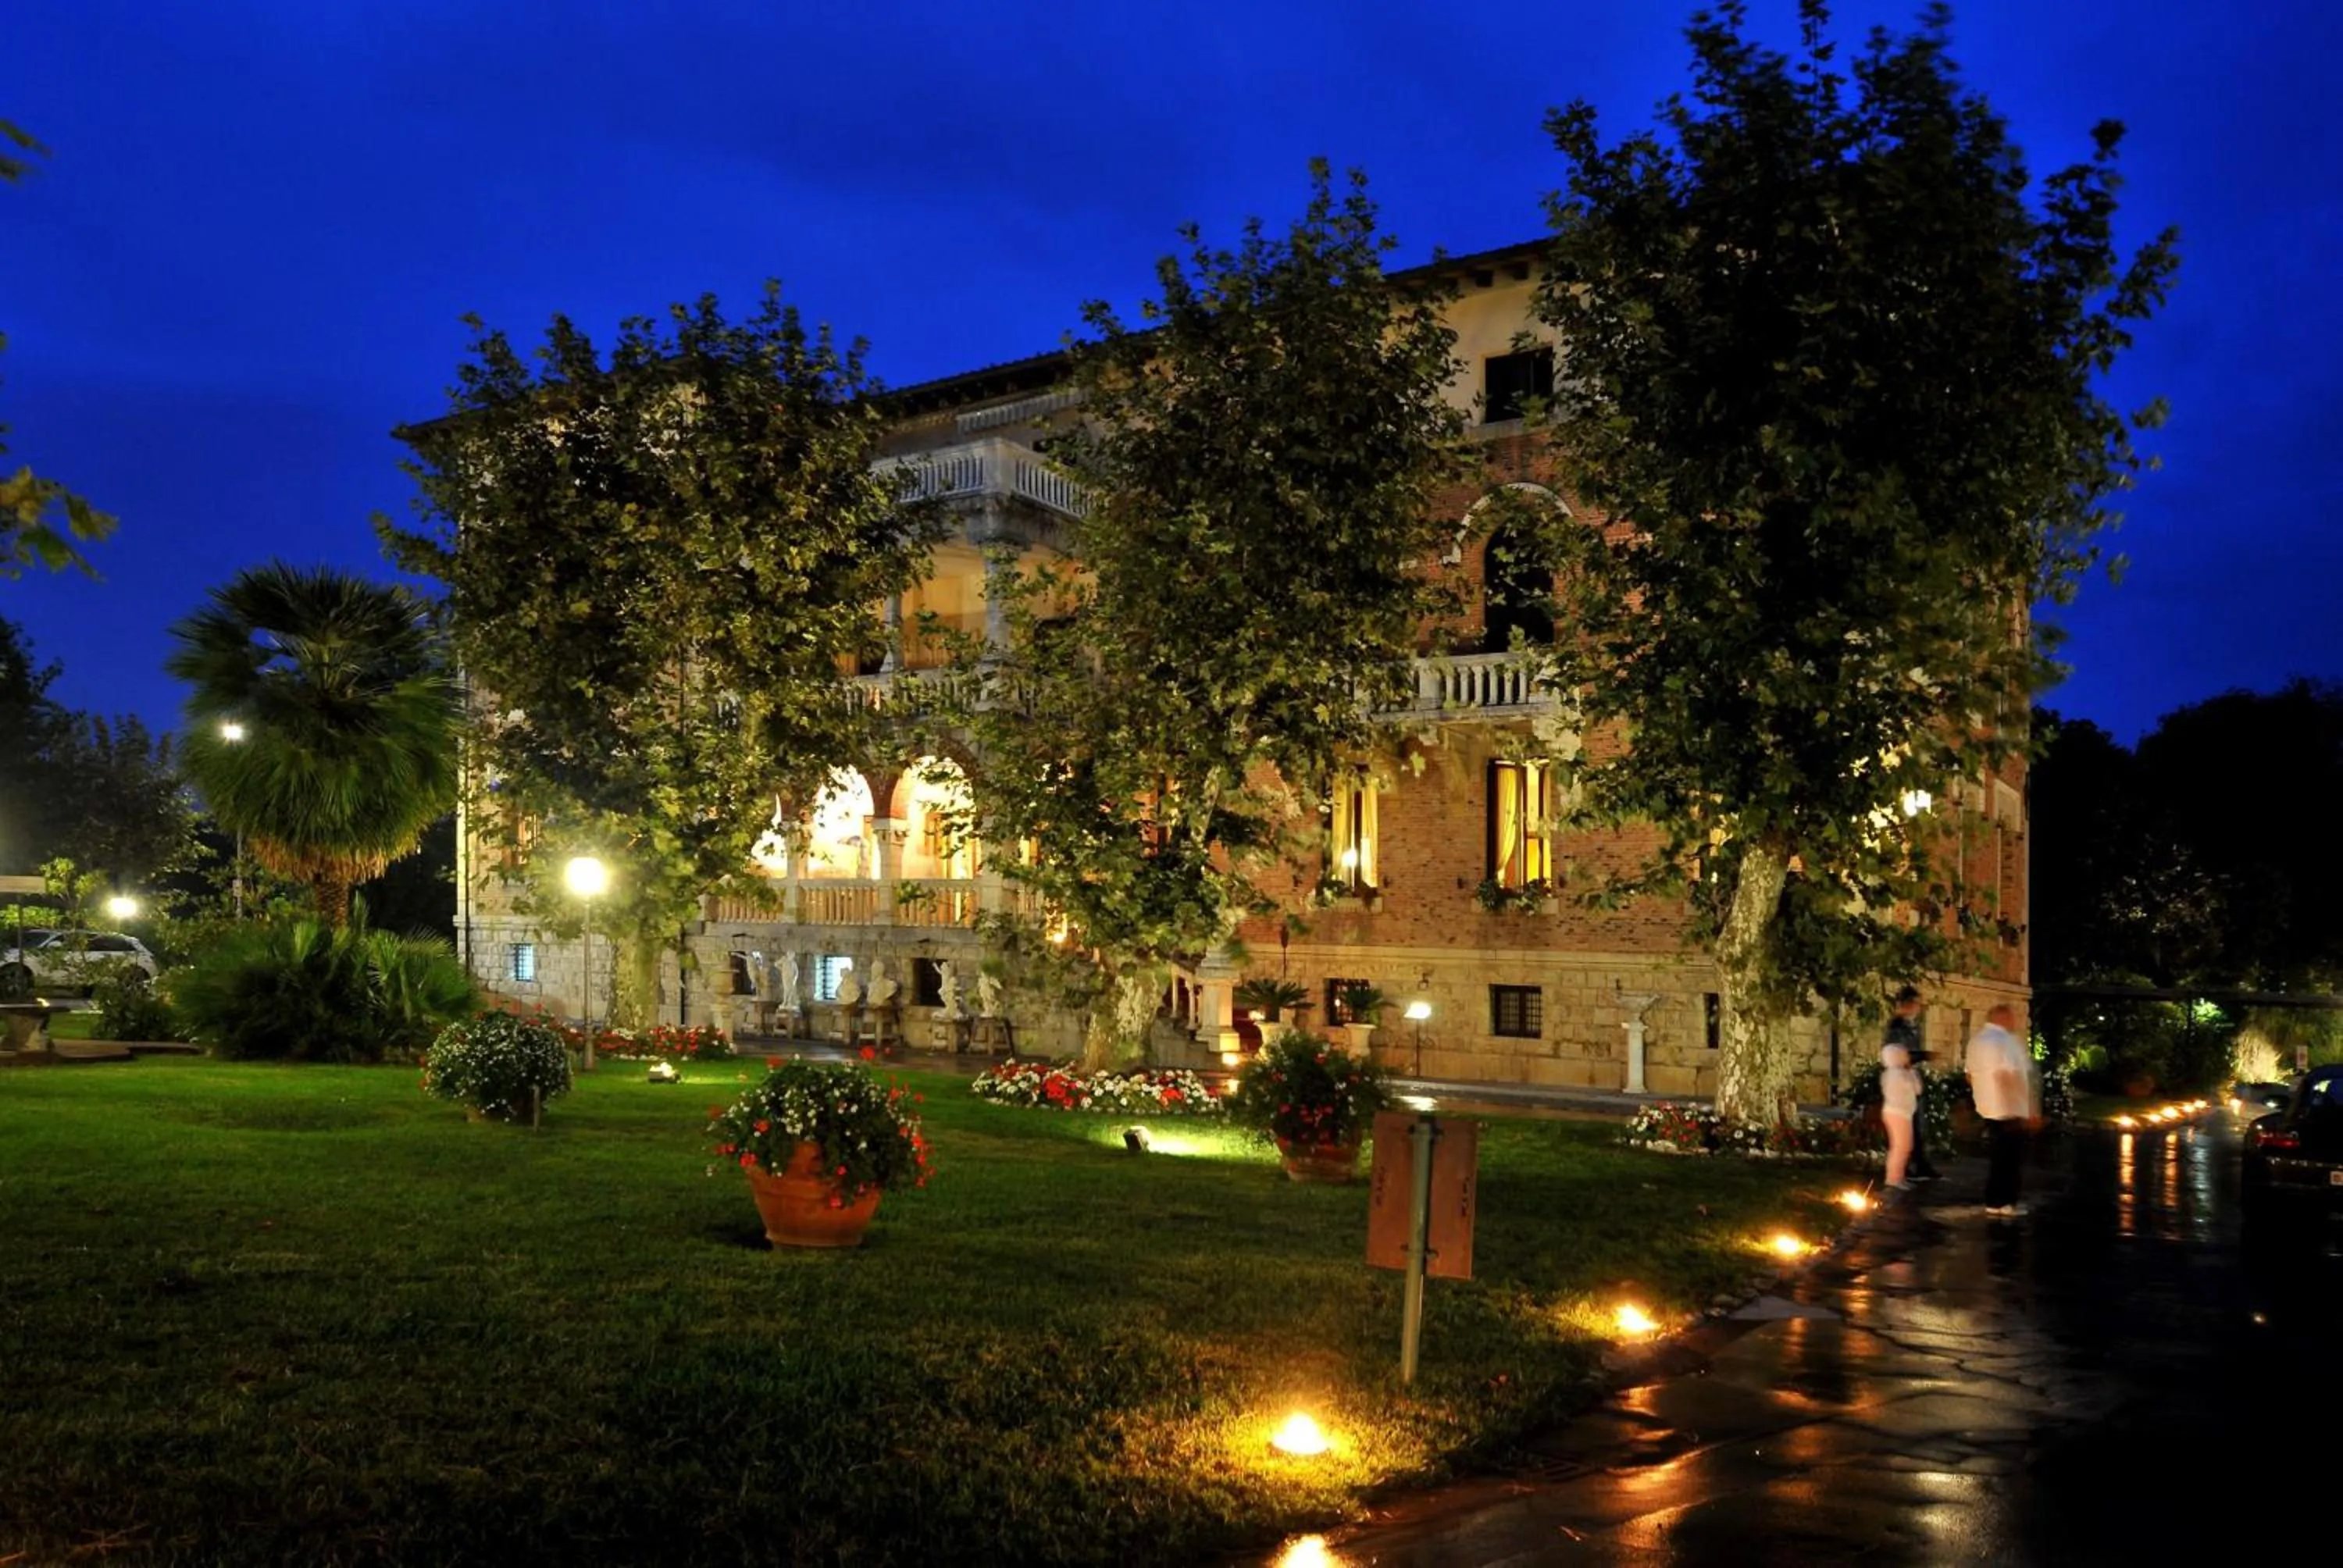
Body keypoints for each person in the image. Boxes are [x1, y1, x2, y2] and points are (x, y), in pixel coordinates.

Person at [1967, 1003, 2039, 1217]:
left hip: (1987, 1108)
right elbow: (2010, 1077)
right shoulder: (2005, 1042)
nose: (2015, 1022)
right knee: (2010, 1158)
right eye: (2012, 1017)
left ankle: (1993, 1200)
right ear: (2003, 1018)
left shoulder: (1976, 1041)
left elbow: (1970, 1076)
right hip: (2009, 1108)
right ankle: (2006, 1202)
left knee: (1998, 1156)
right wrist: (2028, 1107)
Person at [1884, 986, 1942, 1181]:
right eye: (1916, 1003)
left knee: (1917, 1125)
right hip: (1901, 1082)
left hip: (1909, 1080)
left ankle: (1919, 1164)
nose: (1918, 1007)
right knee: (1906, 1127)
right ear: (1908, 1004)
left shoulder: (1910, 1025)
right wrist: (1925, 1055)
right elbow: (1899, 1055)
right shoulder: (1897, 1026)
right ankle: (1904, 1168)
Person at [1880, 1034, 1920, 1192]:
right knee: (1901, 1146)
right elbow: (1917, 1089)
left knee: (1902, 1146)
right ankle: (1893, 1179)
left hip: (1896, 1112)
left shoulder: (1888, 1074)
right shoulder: (1901, 1074)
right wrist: (1912, 1073)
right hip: (1899, 1114)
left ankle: (1898, 1177)